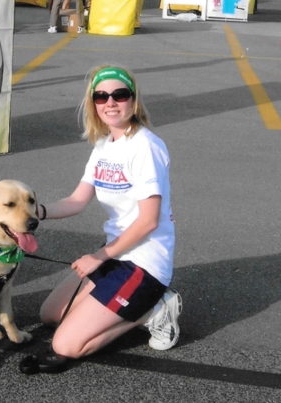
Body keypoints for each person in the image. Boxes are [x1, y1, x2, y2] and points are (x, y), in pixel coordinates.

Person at [38, 65, 182, 359]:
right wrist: (33, 213)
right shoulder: (104, 145)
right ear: (93, 104)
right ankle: (128, 306)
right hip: (116, 253)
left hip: (143, 263)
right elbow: (77, 200)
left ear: (133, 99)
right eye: (101, 96)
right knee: (51, 314)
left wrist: (98, 257)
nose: (110, 102)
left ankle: (152, 310)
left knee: (65, 345)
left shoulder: (146, 147)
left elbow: (148, 221)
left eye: (120, 94)